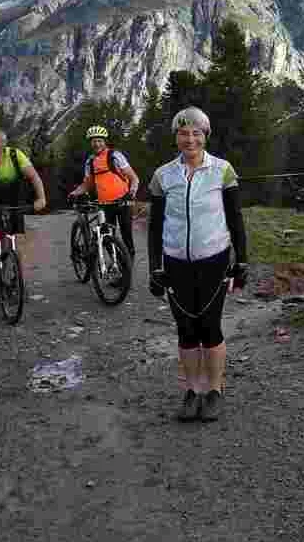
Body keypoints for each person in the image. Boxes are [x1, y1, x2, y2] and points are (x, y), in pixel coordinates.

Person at [147, 106, 248, 423]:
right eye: (183, 133)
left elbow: (235, 218)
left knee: (210, 326)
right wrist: (154, 267)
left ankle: (214, 390)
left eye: (196, 133)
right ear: (175, 137)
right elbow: (154, 226)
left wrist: (242, 260)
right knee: (186, 329)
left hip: (213, 260)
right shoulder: (163, 176)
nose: (189, 139)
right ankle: (192, 391)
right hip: (176, 261)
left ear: (205, 136)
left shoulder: (222, 170)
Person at [67, 125, 140, 258]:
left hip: (123, 201)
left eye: (99, 140)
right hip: (104, 204)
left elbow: (134, 178)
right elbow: (87, 184)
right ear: (91, 143)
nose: (97, 144)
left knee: (126, 234)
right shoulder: (90, 162)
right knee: (106, 236)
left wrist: (132, 193)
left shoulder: (115, 156)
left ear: (104, 141)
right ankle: (117, 261)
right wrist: (74, 193)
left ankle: (128, 263)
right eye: (94, 141)